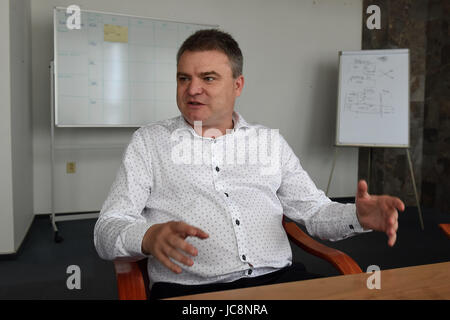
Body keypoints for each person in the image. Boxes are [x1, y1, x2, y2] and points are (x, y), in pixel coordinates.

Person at [94, 29, 405, 299]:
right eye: (183, 78)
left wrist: (357, 215)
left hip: (281, 283)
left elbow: (315, 213)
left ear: (237, 85)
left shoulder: (269, 143)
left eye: (208, 78)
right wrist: (148, 237)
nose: (192, 89)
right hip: (193, 290)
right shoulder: (149, 143)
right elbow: (107, 228)